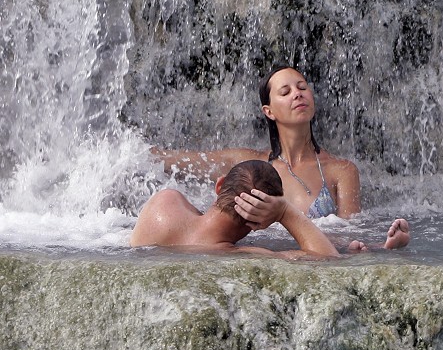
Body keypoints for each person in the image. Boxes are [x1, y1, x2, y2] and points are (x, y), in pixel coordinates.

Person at [152, 66, 410, 250]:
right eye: (285, 92)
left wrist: (383, 246)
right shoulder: (247, 164)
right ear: (269, 111)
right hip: (263, 260)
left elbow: (351, 234)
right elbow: (178, 161)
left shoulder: (340, 171)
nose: (297, 94)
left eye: (302, 87)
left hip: (312, 261)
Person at [130, 159, 354, 258]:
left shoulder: (166, 201)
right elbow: (326, 259)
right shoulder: (239, 256)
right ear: (260, 224)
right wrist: (284, 212)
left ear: (219, 186)